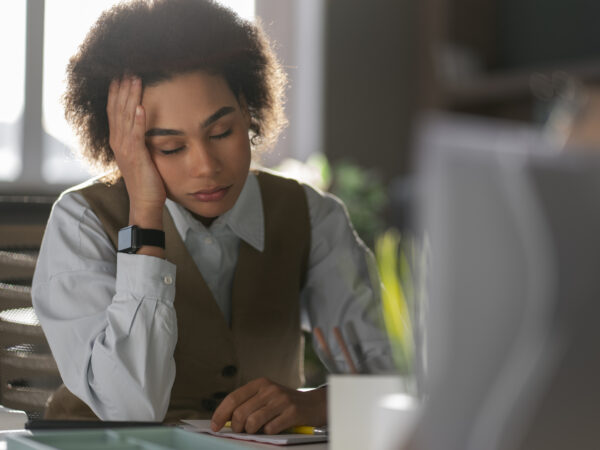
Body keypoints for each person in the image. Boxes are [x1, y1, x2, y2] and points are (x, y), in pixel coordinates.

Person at [32, 0, 393, 434]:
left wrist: (320, 405)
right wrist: (145, 217)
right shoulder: (82, 221)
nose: (205, 165)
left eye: (222, 132)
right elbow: (130, 407)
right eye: (170, 148)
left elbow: (388, 377)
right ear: (123, 146)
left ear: (247, 108)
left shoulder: (312, 217)